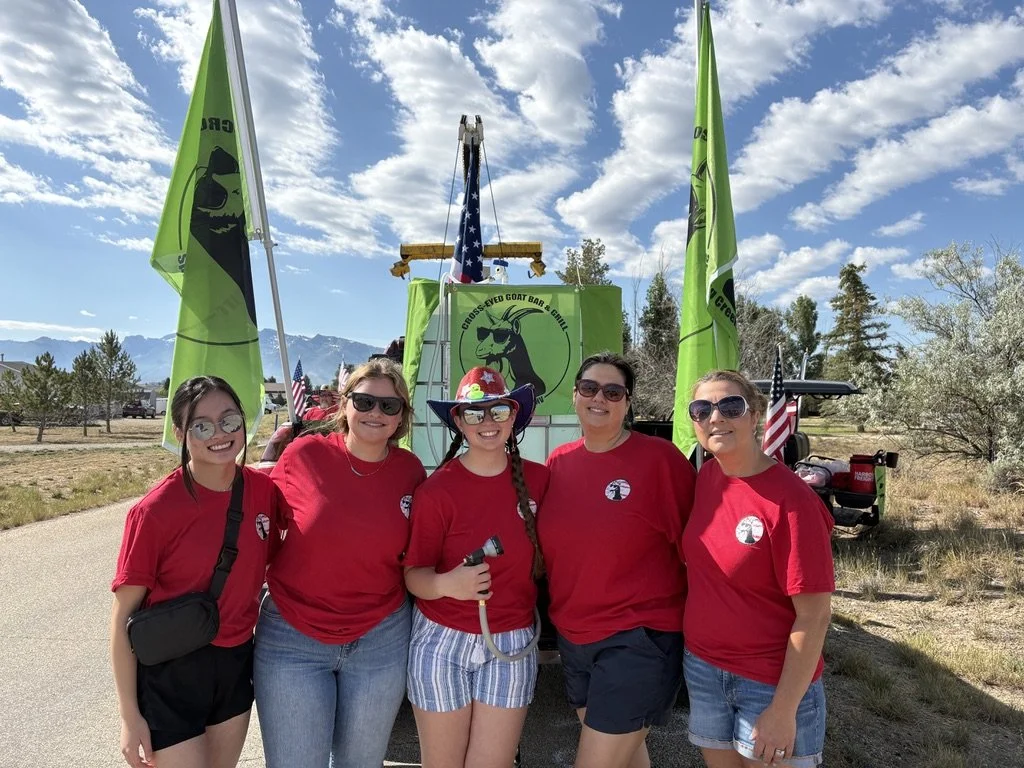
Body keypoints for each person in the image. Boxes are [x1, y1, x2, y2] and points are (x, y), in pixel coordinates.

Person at [253, 357, 426, 768]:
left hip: (380, 640)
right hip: (293, 637)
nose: (375, 414)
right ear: (344, 405)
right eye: (365, 402)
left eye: (389, 406)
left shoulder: (410, 471)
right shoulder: (304, 454)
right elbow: (253, 519)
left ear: (402, 417)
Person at [110, 376, 286, 768]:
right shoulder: (154, 511)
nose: (219, 434)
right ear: (179, 433)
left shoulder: (263, 492)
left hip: (235, 665)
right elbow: (123, 620)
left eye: (230, 421)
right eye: (201, 426)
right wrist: (129, 716)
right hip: (170, 673)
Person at [538, 352, 695, 768]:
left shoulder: (660, 461)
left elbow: (698, 548)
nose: (599, 398)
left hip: (638, 635)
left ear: (627, 403)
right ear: (574, 396)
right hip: (574, 634)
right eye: (589, 388)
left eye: (613, 391)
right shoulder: (559, 462)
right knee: (625, 756)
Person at [682, 370, 834, 768]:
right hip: (704, 670)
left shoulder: (792, 502)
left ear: (755, 417)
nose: (716, 417)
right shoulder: (708, 477)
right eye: (702, 409)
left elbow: (814, 616)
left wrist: (783, 710)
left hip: (769, 682)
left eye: (731, 406)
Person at [403, 366, 549, 768]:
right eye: (474, 413)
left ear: (513, 416)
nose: (487, 423)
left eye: (498, 412)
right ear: (459, 422)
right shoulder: (436, 492)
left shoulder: (541, 482)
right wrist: (450, 584)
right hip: (441, 643)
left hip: (511, 640)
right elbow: (414, 575)